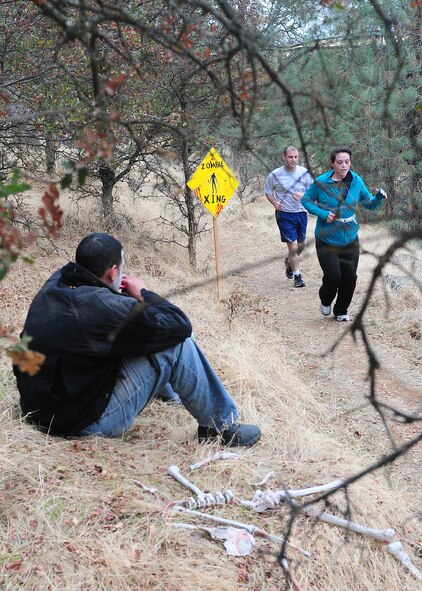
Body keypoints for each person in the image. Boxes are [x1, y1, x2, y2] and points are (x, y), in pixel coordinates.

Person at [13, 233, 261, 447]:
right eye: (122, 267)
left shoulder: (57, 284)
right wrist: (143, 293)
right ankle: (220, 428)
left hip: (42, 409)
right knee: (177, 344)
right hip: (80, 423)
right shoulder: (100, 307)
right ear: (111, 272)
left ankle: (170, 394)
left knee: (143, 335)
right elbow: (180, 325)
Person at [301, 146, 387, 321]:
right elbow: (306, 199)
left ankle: (341, 310)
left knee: (350, 277)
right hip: (327, 237)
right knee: (333, 276)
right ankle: (325, 299)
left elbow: (368, 203)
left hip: (349, 237)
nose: (343, 165)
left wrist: (378, 198)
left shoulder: (356, 181)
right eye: (339, 162)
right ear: (332, 164)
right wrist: (323, 214)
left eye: (346, 162)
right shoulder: (321, 182)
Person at [264, 146, 314, 288]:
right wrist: (275, 203)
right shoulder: (275, 175)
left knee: (300, 246)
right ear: (284, 157)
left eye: (295, 157)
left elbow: (313, 193)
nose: (293, 160)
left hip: (302, 213)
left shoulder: (304, 173)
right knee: (292, 246)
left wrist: (303, 196)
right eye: (290, 157)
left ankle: (289, 262)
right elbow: (268, 192)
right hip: (284, 214)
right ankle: (298, 276)